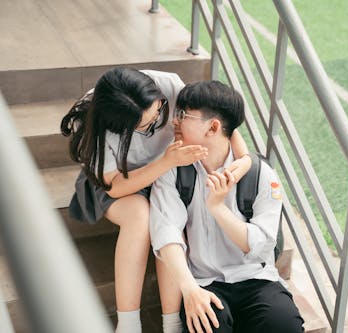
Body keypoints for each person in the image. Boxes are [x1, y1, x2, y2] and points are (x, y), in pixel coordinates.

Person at [60, 68, 252, 333]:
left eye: (160, 110)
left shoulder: (167, 84)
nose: (160, 121)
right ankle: (128, 324)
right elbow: (114, 186)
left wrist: (244, 158)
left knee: (170, 219)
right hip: (119, 180)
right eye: (147, 126)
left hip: (168, 171)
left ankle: (171, 323)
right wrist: (166, 162)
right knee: (141, 215)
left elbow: (215, 114)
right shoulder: (96, 119)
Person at [149, 80, 304, 333]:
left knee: (284, 326)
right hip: (204, 282)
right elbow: (166, 233)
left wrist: (218, 208)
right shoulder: (173, 171)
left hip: (257, 279)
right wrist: (190, 290)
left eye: (183, 115)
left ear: (213, 127)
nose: (175, 121)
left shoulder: (261, 174)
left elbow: (259, 245)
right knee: (207, 327)